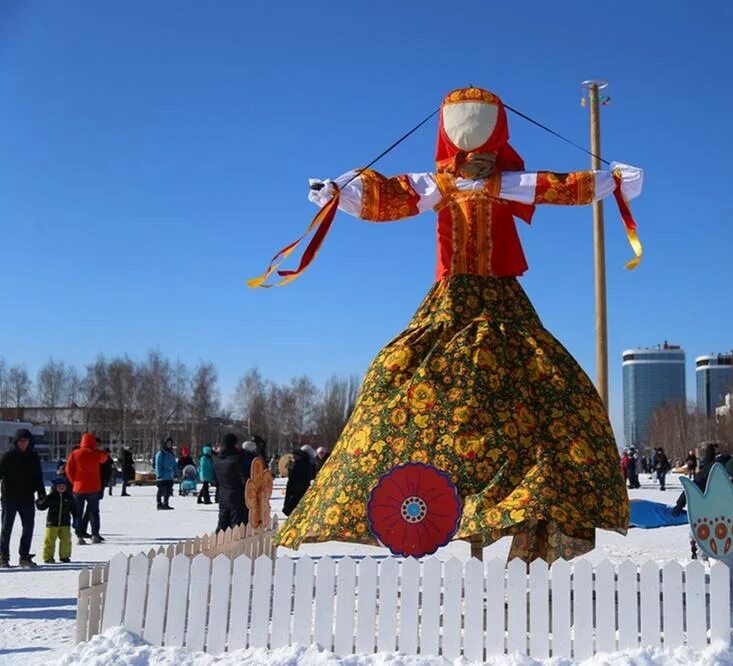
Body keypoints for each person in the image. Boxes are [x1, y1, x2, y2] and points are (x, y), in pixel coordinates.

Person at [269, 86, 639, 561]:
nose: (470, 132)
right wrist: (344, 193)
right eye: (461, 123)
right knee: (395, 369)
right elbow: (393, 195)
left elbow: (559, 186)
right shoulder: (439, 184)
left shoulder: (508, 183)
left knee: (546, 381)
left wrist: (612, 181)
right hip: (450, 301)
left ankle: (530, 503)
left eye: (481, 122)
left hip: (503, 300)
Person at [0, 429, 46, 568]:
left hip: (27, 497)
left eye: (26, 440)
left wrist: (41, 493)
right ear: (16, 441)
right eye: (21, 441)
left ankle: (24, 556)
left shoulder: (34, 457)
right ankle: (3, 557)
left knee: (28, 527)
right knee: (6, 528)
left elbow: (38, 477)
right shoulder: (8, 456)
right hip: (10, 497)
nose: (23, 443)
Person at [66, 432, 109, 544]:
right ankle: (95, 535)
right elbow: (104, 459)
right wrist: (100, 450)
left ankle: (79, 536)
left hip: (79, 487)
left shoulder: (75, 454)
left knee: (78, 512)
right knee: (94, 512)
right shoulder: (96, 453)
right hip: (94, 487)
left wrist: (74, 482)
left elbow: (68, 470)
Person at [36, 476, 79, 563]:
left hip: (65, 523)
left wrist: (76, 518)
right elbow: (42, 506)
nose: (61, 487)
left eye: (63, 485)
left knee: (66, 540)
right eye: (59, 486)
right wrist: (39, 501)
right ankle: (48, 557)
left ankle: (65, 556)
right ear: (55, 487)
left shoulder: (69, 497)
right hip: (52, 523)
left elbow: (74, 509)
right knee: (49, 541)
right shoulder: (51, 496)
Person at [214, 433, 249, 532]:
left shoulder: (217, 460)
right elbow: (244, 480)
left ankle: (217, 545)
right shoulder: (237, 459)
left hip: (223, 497)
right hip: (237, 498)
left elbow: (215, 480)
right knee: (237, 527)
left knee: (222, 525)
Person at [283, 445, 318, 516]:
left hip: (294, 489)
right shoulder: (308, 463)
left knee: (293, 509)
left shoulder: (298, 462)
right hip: (302, 489)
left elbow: (292, 476)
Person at [154, 438, 178, 510]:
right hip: (162, 475)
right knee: (161, 490)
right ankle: (159, 504)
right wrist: (159, 474)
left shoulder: (171, 454)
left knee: (168, 490)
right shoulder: (161, 453)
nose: (169, 445)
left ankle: (166, 503)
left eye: (170, 443)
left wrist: (175, 473)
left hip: (169, 475)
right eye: (168, 443)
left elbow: (174, 464)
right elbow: (158, 465)